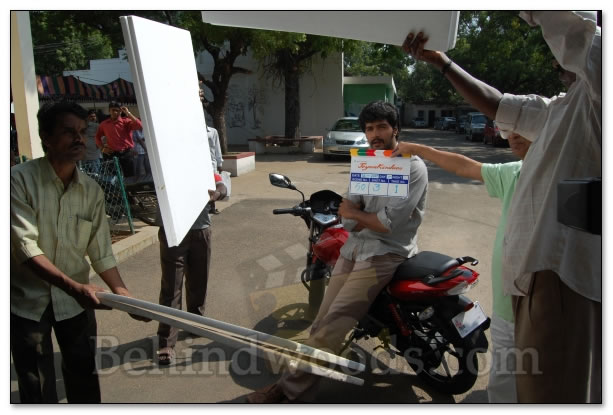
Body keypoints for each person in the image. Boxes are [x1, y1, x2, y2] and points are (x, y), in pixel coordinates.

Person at [403, 11, 601, 403]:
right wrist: (443, 63)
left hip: (560, 278)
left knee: (548, 395)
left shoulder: (599, 90)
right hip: (531, 281)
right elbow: (499, 105)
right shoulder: (561, 108)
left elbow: (575, 31)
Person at [246, 100, 428, 403]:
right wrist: (355, 215)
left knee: (334, 325)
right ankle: (303, 372)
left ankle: (286, 392)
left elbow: (387, 225)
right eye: (369, 128)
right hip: (354, 248)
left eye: (382, 126)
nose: (375, 133)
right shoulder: (369, 161)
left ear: (395, 129)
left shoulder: (413, 166)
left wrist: (356, 215)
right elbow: (346, 210)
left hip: (386, 253)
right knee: (320, 319)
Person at [10, 100, 149, 403]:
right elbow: (25, 248)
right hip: (27, 304)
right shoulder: (16, 181)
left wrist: (123, 294)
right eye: (67, 132)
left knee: (83, 376)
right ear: (46, 138)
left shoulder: (91, 190)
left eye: (82, 132)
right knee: (36, 383)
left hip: (76, 305)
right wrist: (75, 287)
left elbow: (100, 252)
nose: (78, 139)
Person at [392, 133, 531, 403]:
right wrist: (416, 147)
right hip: (506, 304)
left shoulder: (574, 172)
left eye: (523, 127)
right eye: (507, 128)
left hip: (552, 307)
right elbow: (465, 166)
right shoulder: (515, 171)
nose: (511, 135)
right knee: (505, 381)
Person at [155, 173, 227, 365]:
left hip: (200, 229)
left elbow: (222, 186)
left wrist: (216, 194)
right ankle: (166, 342)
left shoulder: (199, 158)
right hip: (173, 230)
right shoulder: (163, 156)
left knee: (199, 280)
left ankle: (195, 322)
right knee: (172, 286)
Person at [95, 101, 142, 178]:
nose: (115, 112)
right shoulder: (104, 124)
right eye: (113, 110)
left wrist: (128, 113)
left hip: (127, 153)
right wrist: (102, 148)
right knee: (114, 178)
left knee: (130, 177)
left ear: (121, 111)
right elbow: (97, 137)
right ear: (109, 111)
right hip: (112, 155)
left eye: (118, 110)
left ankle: (130, 190)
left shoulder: (126, 121)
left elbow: (139, 125)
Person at [207, 126, 223, 214]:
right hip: (199, 166)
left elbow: (217, 148)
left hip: (212, 165)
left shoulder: (213, 131)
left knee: (213, 186)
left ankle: (212, 207)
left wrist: (220, 163)